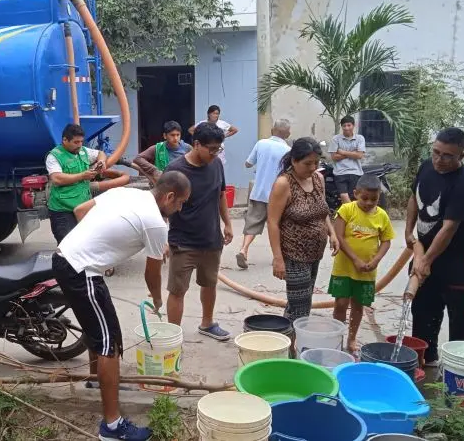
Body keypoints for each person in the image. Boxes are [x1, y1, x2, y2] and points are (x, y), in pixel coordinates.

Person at [52, 171, 191, 441]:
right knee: (108, 344)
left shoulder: (128, 193)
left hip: (74, 262)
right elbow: (152, 275)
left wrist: (97, 247)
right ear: (169, 196)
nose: (180, 208)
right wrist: (158, 299)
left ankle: (98, 381)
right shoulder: (155, 223)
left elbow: (81, 211)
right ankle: (112, 427)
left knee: (108, 334)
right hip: (81, 271)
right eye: (180, 203)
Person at [405, 127, 464, 367]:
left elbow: (449, 228)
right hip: (425, 252)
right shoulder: (427, 166)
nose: (439, 159)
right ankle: (426, 361)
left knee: (460, 316)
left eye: (448, 155)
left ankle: (461, 370)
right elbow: (414, 198)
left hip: (458, 260)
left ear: (462, 155)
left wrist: (425, 261)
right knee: (423, 309)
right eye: (436, 152)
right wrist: (409, 233)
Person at [165, 122, 233, 341]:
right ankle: (173, 337)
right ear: (196, 144)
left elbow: (221, 194)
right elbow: (161, 204)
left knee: (209, 283)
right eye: (211, 149)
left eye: (218, 149)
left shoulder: (216, 165)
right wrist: (160, 239)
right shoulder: (176, 170)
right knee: (177, 291)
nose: (214, 154)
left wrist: (228, 223)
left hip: (211, 238)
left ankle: (207, 323)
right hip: (183, 241)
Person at [268, 138, 339, 321]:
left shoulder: (318, 179)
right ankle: (291, 346)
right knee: (299, 308)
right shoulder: (284, 183)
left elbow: (322, 209)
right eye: (307, 163)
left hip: (315, 253)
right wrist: (278, 259)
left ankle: (289, 343)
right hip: (294, 255)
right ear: (294, 161)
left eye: (316, 162)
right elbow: (273, 222)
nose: (313, 167)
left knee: (302, 303)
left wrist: (331, 233)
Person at [329, 174, 395, 353]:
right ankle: (337, 338)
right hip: (344, 268)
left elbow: (386, 241)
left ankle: (351, 338)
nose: (368, 203)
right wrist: (355, 259)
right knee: (341, 304)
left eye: (373, 199)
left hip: (366, 271)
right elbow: (339, 236)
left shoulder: (381, 216)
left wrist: (375, 260)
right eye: (364, 198)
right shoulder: (346, 210)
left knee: (358, 306)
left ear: (379, 197)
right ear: (355, 193)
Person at [236, 118, 292, 270]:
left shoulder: (261, 144)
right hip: (278, 195)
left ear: (273, 130)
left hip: (259, 192)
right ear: (287, 133)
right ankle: (278, 257)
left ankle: (244, 249)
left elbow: (248, 163)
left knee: (253, 222)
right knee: (278, 225)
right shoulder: (288, 151)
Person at [46, 123, 106, 244]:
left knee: (84, 245)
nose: (79, 145)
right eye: (76, 142)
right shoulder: (54, 156)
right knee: (66, 247)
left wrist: (101, 162)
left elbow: (100, 153)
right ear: (65, 140)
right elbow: (57, 179)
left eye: (81, 142)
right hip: (63, 211)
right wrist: (82, 176)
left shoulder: (83, 151)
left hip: (83, 208)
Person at [328, 115, 366, 204]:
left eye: (349, 125)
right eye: (344, 126)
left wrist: (342, 152)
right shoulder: (336, 139)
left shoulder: (360, 138)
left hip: (355, 172)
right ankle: (350, 215)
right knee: (344, 195)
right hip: (340, 172)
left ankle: (351, 215)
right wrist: (353, 153)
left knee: (354, 196)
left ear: (353, 125)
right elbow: (334, 157)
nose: (346, 128)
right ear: (342, 127)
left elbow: (359, 155)